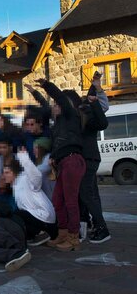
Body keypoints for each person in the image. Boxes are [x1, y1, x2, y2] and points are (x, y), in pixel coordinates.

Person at [32, 79, 86, 252]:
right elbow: (58, 145)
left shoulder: (71, 116)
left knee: (70, 201)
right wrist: (53, 157)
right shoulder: (58, 126)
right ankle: (62, 234)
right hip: (63, 163)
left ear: (63, 106)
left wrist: (47, 86)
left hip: (73, 161)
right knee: (57, 200)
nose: (54, 106)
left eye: (56, 105)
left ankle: (73, 237)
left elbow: (61, 99)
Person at [79, 75, 111, 244]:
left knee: (88, 193)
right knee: (90, 193)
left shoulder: (91, 116)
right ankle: (92, 224)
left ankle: (101, 227)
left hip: (89, 158)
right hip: (85, 159)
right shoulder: (82, 114)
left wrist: (97, 89)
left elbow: (103, 109)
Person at [3, 149, 57, 246]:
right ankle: (35, 235)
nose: (4, 176)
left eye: (7, 172)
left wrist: (24, 158)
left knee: (15, 215)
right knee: (13, 216)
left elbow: (36, 176)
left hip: (46, 220)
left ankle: (40, 234)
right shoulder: (15, 187)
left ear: (14, 173)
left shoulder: (25, 179)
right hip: (39, 220)